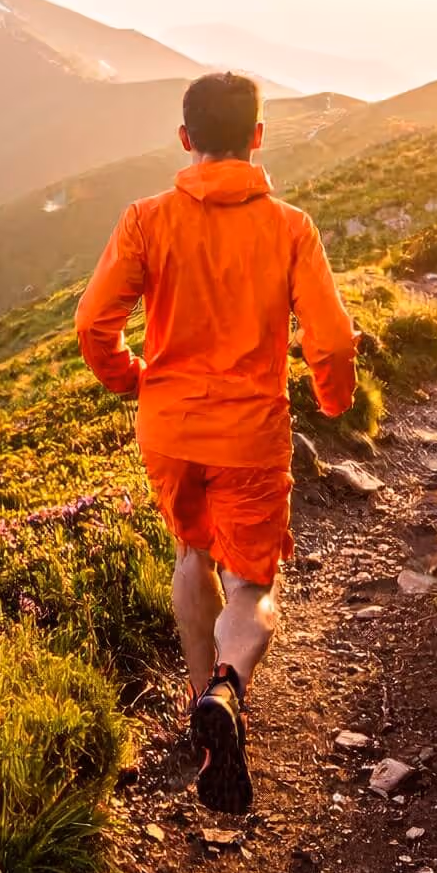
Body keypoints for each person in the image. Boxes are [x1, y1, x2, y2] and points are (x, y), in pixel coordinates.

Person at [74, 71, 358, 812]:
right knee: (252, 586)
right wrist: (334, 397)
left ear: (185, 138)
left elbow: (92, 324)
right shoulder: (290, 228)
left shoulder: (146, 220)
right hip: (250, 433)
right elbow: (328, 339)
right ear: (258, 136)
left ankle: (204, 712)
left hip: (169, 426)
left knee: (191, 554)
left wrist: (129, 377)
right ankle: (230, 692)